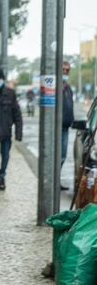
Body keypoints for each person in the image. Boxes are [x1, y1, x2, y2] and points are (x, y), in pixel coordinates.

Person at [61, 61, 76, 190]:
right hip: (56, 128)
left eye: (67, 70)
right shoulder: (56, 87)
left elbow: (70, 106)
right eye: (63, 70)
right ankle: (53, 181)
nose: (65, 72)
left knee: (63, 156)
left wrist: (72, 120)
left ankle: (56, 180)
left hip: (65, 126)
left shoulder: (68, 88)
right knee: (57, 156)